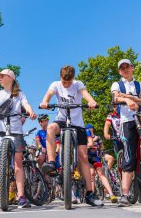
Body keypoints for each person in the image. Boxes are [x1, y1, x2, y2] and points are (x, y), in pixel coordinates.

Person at [40, 65, 103, 206]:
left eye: (69, 82)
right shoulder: (55, 84)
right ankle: (51, 162)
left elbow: (85, 93)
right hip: (62, 120)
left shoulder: (78, 84)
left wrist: (91, 101)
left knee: (83, 157)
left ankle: (89, 193)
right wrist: (45, 102)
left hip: (78, 124)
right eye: (64, 82)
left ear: (73, 79)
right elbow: (49, 94)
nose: (66, 84)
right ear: (60, 78)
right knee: (50, 127)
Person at [0, 69, 37, 209]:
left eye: (2, 76)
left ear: (10, 78)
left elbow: (26, 104)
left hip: (16, 130)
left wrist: (30, 111)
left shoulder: (20, 94)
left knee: (18, 163)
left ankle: (21, 197)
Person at [111, 59, 141, 207]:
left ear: (132, 68)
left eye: (127, 67)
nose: (125, 70)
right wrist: (127, 101)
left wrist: (129, 97)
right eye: (122, 68)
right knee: (129, 155)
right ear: (119, 71)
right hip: (127, 121)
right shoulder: (117, 84)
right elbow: (116, 98)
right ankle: (125, 194)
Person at [86, 124, 117, 203]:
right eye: (88, 129)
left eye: (90, 128)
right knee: (92, 174)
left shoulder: (98, 137)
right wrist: (89, 145)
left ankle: (111, 194)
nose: (89, 129)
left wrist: (99, 147)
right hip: (87, 158)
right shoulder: (84, 138)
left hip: (96, 156)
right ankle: (92, 195)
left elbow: (102, 147)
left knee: (101, 174)